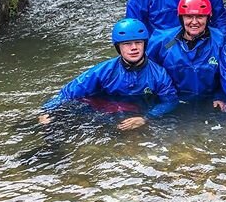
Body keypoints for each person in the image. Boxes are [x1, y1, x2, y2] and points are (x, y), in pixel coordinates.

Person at [40, 18, 178, 131]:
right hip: (105, 112)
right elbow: (68, 92)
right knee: (56, 123)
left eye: (138, 42)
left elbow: (170, 101)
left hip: (139, 113)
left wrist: (147, 118)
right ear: (118, 47)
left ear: (145, 44)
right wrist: (47, 110)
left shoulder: (159, 74)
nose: (134, 48)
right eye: (127, 44)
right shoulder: (104, 71)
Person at [147, 0, 226, 111]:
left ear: (208, 18)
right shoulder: (161, 40)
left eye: (200, 17)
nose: (194, 22)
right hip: (173, 101)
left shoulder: (220, 41)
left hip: (208, 101)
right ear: (181, 18)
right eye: (189, 17)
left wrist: (220, 97)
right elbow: (148, 72)